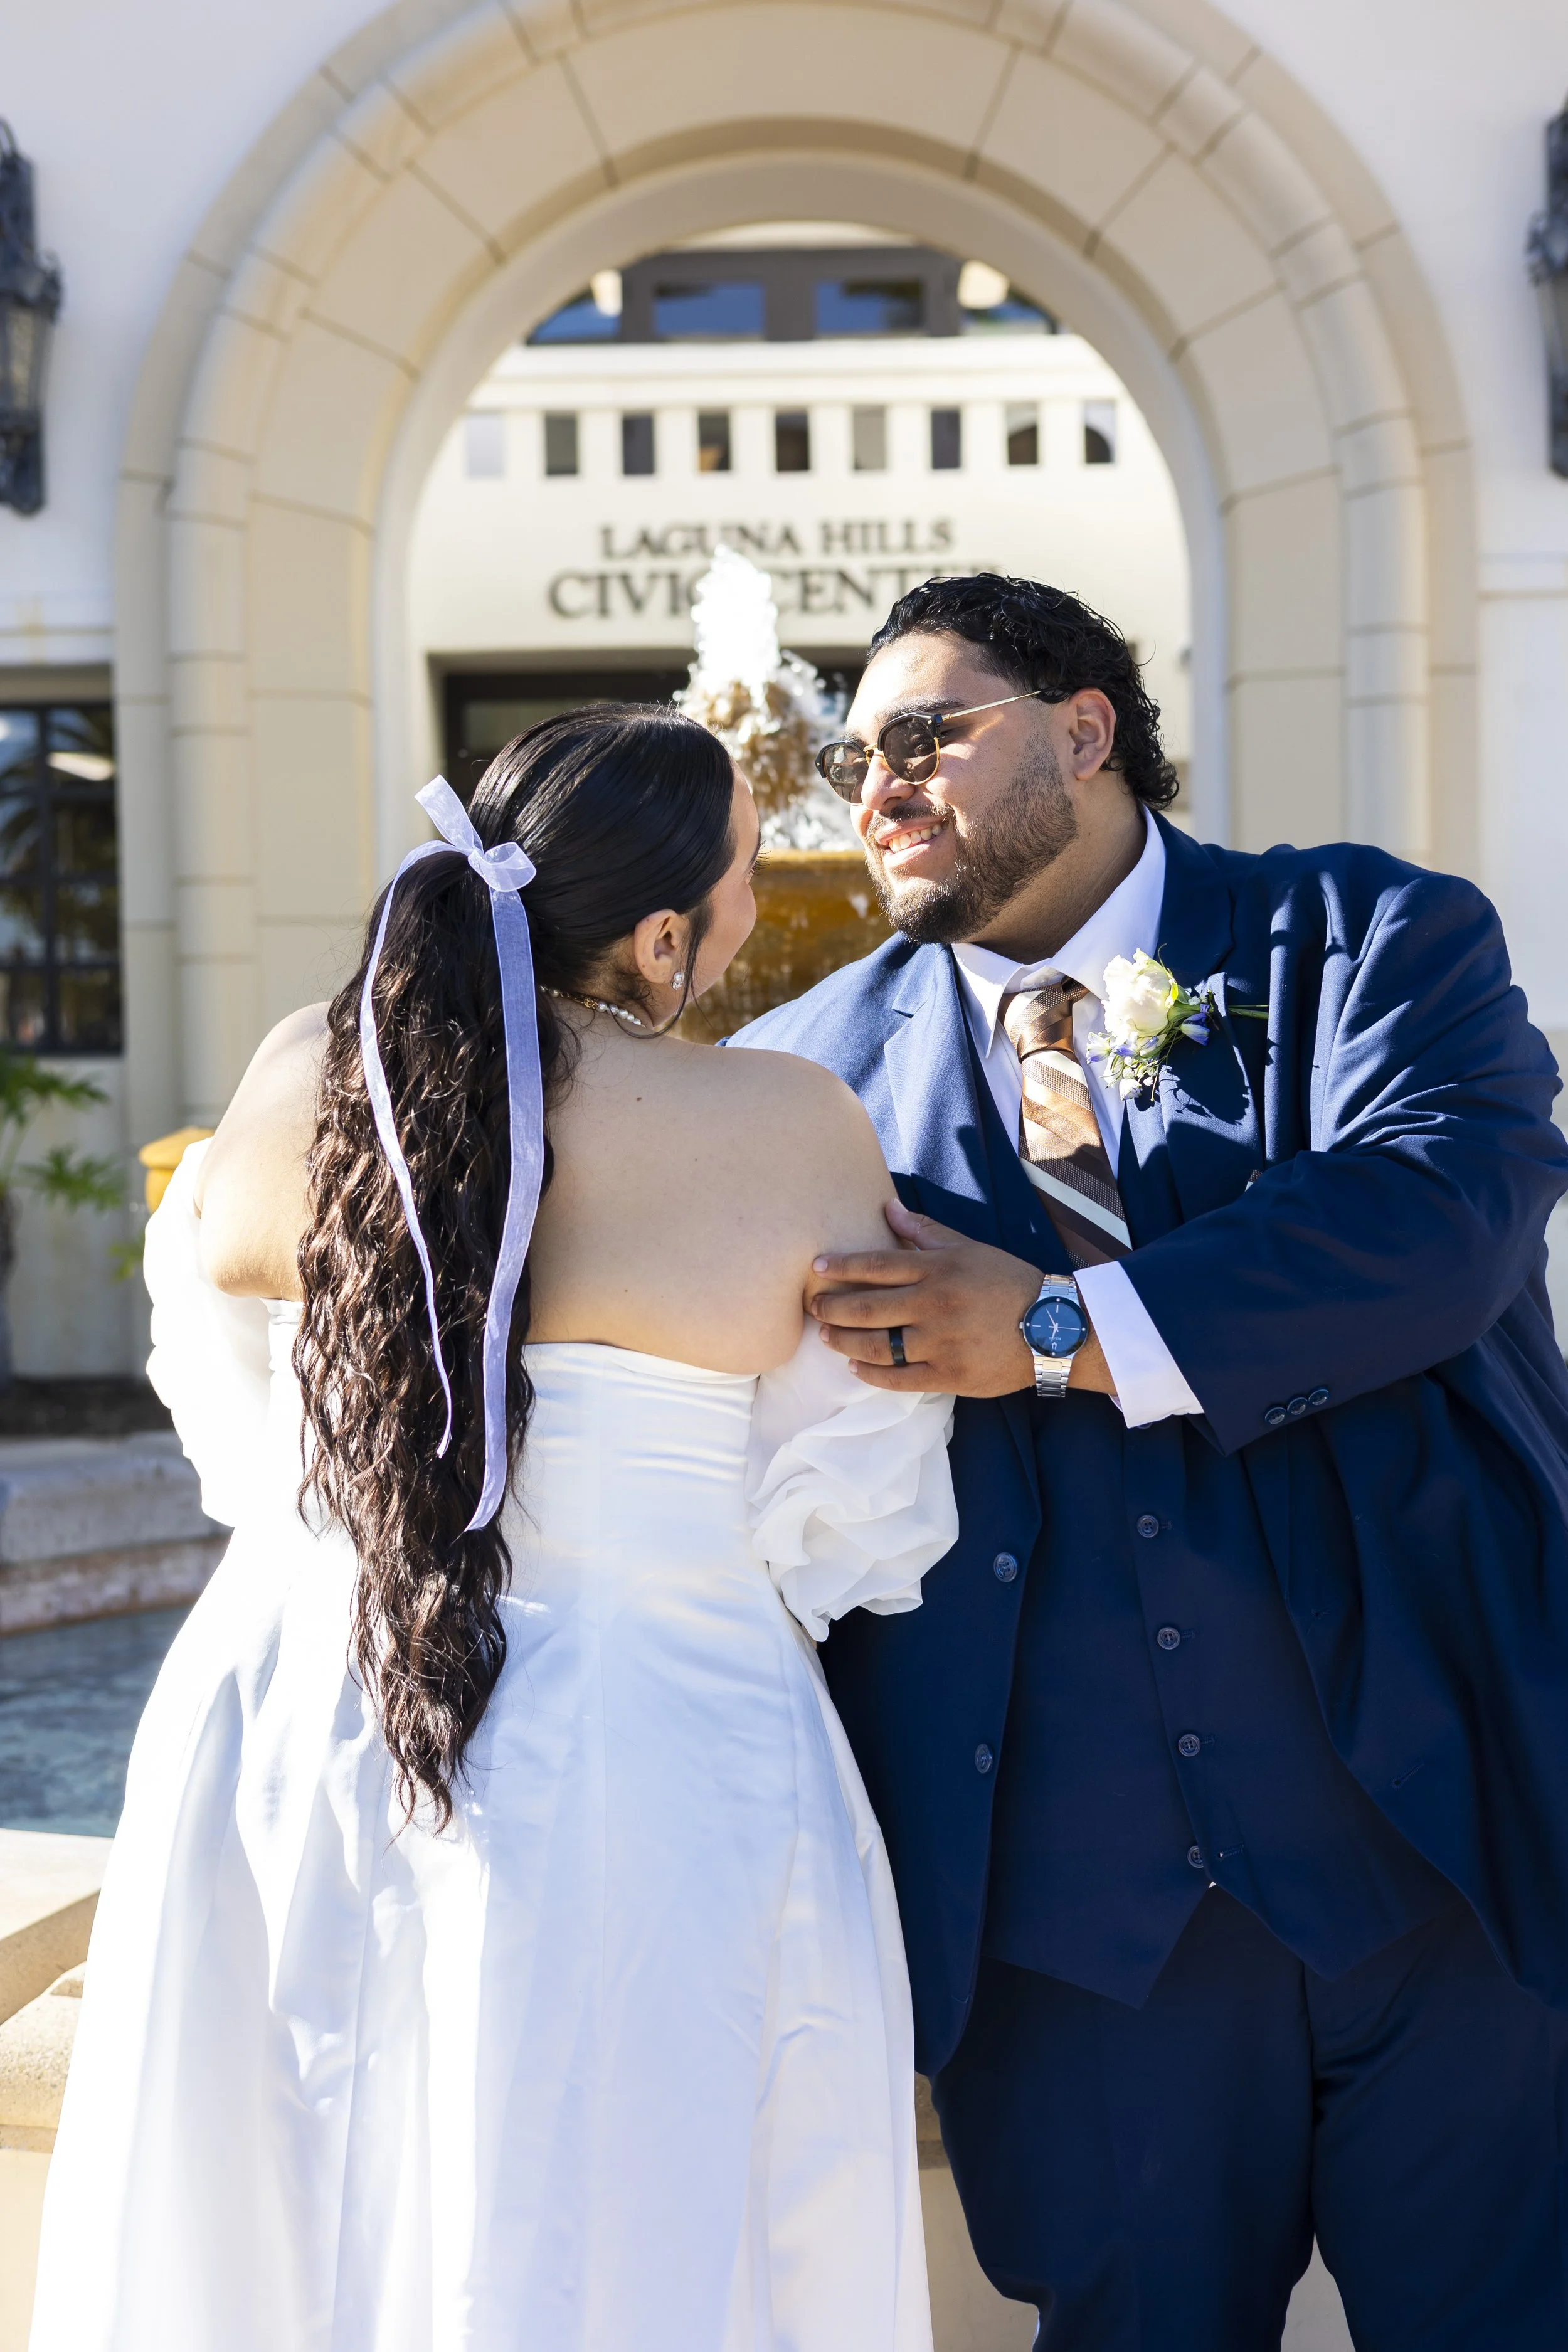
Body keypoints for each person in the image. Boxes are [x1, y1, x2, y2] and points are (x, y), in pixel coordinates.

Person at [29, 708, 957, 2352]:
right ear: (666, 931)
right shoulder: (789, 1123)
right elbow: (853, 1507)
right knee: (624, 2206)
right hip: (644, 1731)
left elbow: (237, 1409)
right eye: (743, 881)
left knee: (287, 2180)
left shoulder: (301, 1071)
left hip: (292, 1695)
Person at [731, 572, 1568, 2351]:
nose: (870, 787)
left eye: (919, 736)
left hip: (1436, 1859)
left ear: (1085, 730)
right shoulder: (793, 1087)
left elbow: (1440, 1219)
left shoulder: (1362, 938)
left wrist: (1055, 1328)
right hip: (1066, 1926)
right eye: (847, 757)